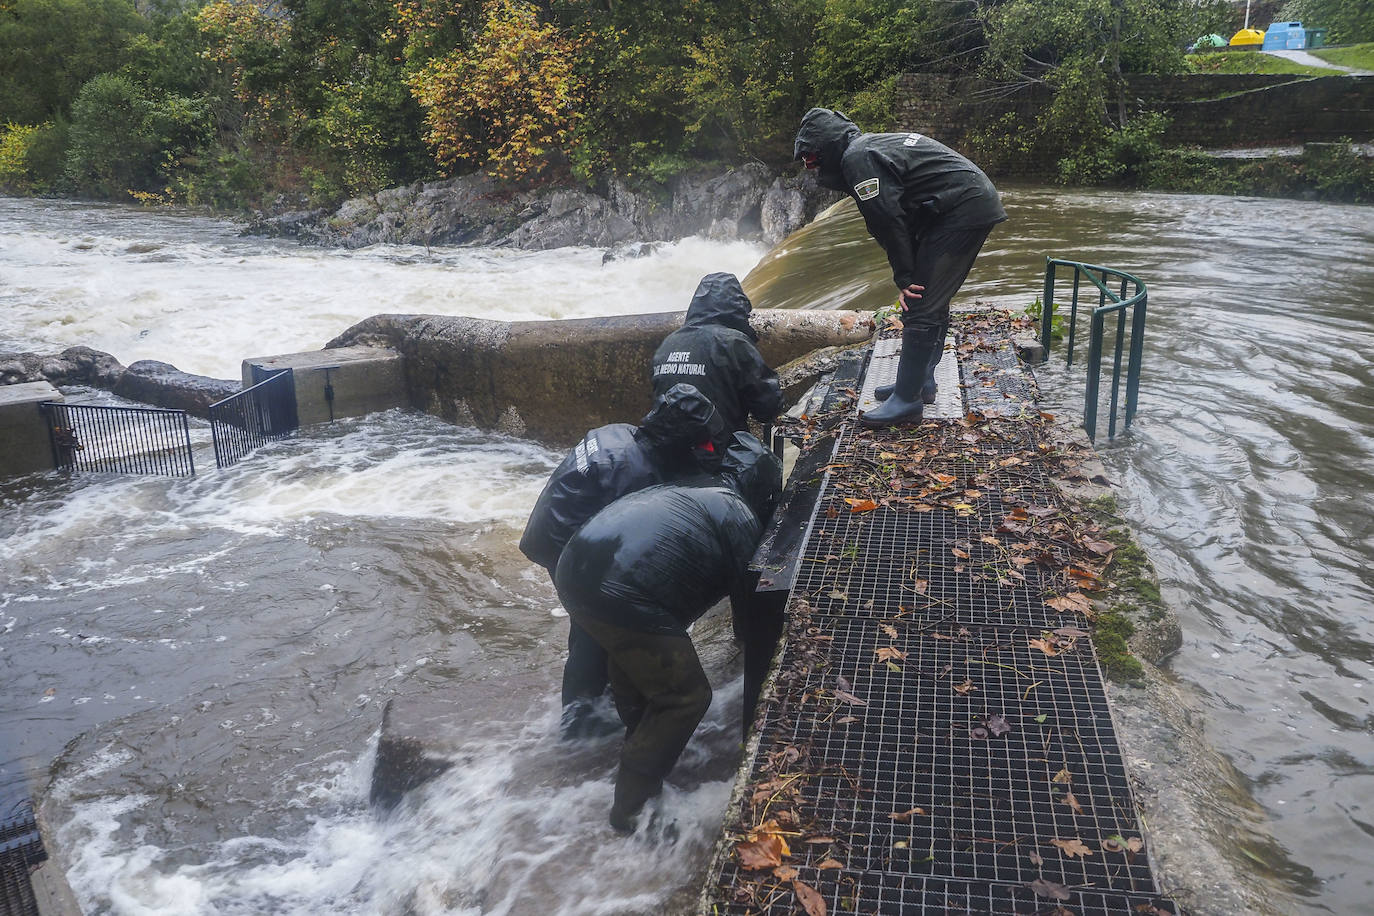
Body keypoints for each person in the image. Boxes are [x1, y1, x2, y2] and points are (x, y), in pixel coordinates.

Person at [553, 432, 783, 833]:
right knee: (685, 697)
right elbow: (753, 621)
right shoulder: (738, 513)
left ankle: (640, 766)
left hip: (574, 567)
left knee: (644, 681)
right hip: (618, 589)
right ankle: (630, 813)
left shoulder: (696, 486)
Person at [520, 383, 726, 738]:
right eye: (700, 441)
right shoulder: (636, 474)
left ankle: (594, 704)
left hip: (548, 529)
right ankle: (580, 722)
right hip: (564, 543)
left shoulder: (619, 432)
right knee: (594, 625)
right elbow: (630, 543)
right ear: (679, 440)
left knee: (592, 622)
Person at [793, 107, 1007, 427]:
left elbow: (888, 219)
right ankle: (920, 383)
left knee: (920, 300)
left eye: (812, 158)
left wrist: (904, 276)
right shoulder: (867, 148)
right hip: (956, 205)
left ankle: (907, 402)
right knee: (929, 297)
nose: (812, 168)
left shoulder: (857, 159)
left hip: (963, 208)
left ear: (827, 146)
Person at [652, 272, 783, 434]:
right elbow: (767, 407)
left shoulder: (668, 343)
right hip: (718, 451)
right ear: (737, 306)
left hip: (668, 450)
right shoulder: (733, 342)